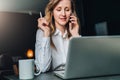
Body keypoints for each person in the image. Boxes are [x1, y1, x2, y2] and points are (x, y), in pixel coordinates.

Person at [35, 0, 81, 74]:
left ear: (71, 12)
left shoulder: (73, 32)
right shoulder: (42, 32)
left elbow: (83, 64)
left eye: (67, 10)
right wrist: (46, 34)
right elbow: (43, 68)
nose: (63, 14)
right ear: (52, 12)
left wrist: (75, 35)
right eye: (58, 10)